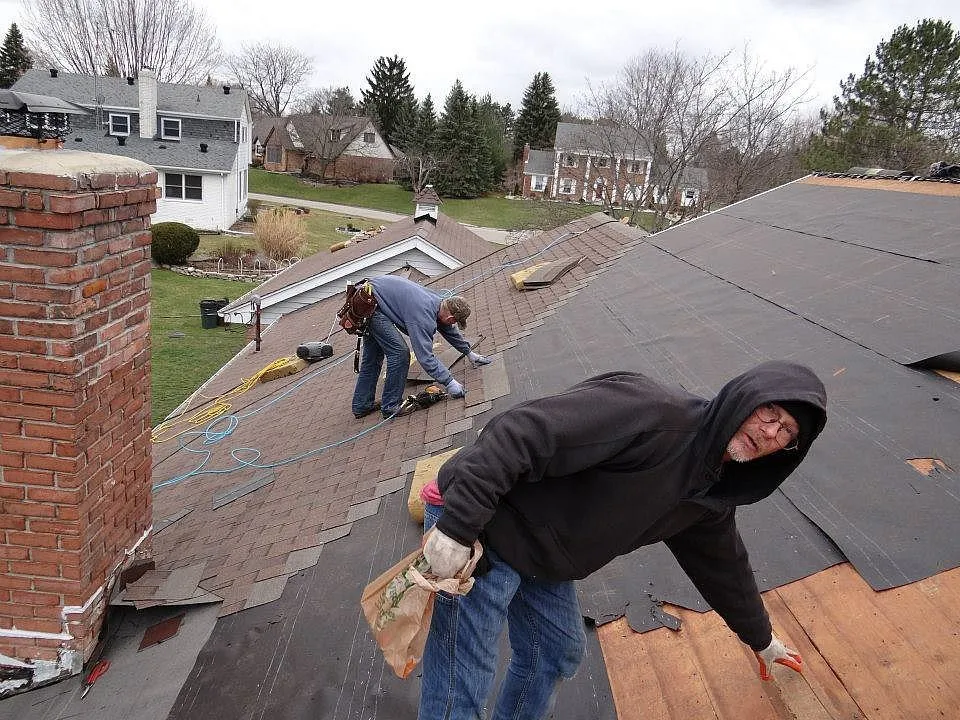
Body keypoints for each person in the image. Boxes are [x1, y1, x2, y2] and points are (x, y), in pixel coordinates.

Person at [418, 360, 827, 720]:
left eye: (786, 432)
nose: (770, 431)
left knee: (555, 652)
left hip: (540, 551)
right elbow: (522, 430)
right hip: (481, 526)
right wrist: (458, 525)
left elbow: (726, 572)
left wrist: (762, 640)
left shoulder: (709, 497)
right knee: (463, 680)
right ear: (744, 396)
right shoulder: (653, 413)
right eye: (769, 411)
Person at [351, 275, 491, 420]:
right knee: (400, 354)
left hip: (369, 296)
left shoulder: (438, 302)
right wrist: (449, 382)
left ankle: (362, 405)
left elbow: (448, 330)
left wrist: (469, 352)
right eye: (455, 321)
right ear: (451, 318)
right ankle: (391, 406)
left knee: (373, 357)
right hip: (369, 304)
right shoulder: (422, 314)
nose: (452, 324)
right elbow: (425, 356)